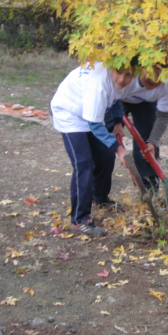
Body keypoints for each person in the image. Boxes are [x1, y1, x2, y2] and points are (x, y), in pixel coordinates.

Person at [50, 61, 134, 237]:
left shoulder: (124, 80)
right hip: (70, 113)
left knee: (104, 155)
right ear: (112, 67)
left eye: (128, 74)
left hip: (90, 113)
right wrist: (119, 149)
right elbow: (95, 124)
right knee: (84, 164)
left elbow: (116, 99)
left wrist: (118, 123)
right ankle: (79, 220)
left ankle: (100, 198)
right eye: (119, 72)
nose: (123, 79)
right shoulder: (99, 85)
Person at [118, 64, 168, 194]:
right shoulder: (126, 74)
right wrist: (115, 124)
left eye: (160, 75)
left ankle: (148, 187)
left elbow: (164, 116)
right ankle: (98, 191)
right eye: (150, 73)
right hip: (118, 98)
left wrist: (153, 141)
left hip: (146, 102)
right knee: (104, 139)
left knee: (146, 144)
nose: (154, 79)